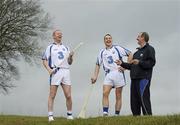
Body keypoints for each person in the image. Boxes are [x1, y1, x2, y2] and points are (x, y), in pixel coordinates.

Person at [91, 34, 132, 116]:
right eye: (106, 39)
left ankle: (116, 114)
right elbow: (97, 64)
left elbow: (130, 54)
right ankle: (105, 113)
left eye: (109, 38)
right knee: (105, 93)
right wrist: (95, 76)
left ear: (112, 40)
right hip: (108, 74)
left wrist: (125, 67)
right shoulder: (102, 52)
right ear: (104, 41)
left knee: (118, 95)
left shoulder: (117, 48)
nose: (108, 40)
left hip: (118, 73)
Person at [115, 32, 156, 116]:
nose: (136, 38)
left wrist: (140, 62)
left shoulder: (150, 49)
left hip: (143, 78)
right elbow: (131, 66)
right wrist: (122, 63)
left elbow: (151, 63)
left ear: (143, 37)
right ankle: (136, 118)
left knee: (143, 99)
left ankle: (148, 117)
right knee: (134, 101)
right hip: (134, 79)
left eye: (138, 36)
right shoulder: (136, 53)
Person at [42, 30, 74, 121]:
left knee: (68, 95)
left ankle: (69, 115)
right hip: (55, 72)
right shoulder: (50, 47)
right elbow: (44, 60)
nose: (60, 34)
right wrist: (49, 70)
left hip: (66, 71)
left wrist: (71, 56)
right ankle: (50, 116)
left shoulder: (66, 47)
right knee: (52, 95)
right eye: (58, 33)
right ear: (53, 36)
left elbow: (70, 62)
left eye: (61, 33)